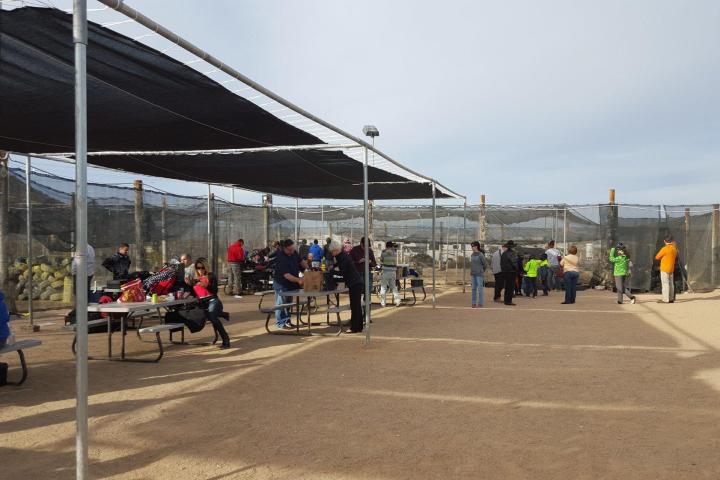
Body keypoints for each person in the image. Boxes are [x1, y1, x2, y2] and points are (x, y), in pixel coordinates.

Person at [192, 260, 230, 349]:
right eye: (198, 268)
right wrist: (188, 285)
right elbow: (194, 294)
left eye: (202, 267)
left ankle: (225, 339)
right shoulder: (194, 279)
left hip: (212, 300)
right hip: (201, 303)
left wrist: (206, 286)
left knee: (212, 314)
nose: (200, 270)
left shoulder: (210, 276)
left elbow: (214, 291)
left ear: (206, 267)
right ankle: (221, 313)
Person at [329, 239, 364, 333]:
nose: (332, 253)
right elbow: (340, 266)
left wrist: (332, 273)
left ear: (336, 250)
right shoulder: (342, 255)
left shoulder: (342, 257)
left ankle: (355, 328)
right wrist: (334, 266)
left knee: (355, 306)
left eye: (332, 251)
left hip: (354, 283)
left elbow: (342, 272)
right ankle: (358, 327)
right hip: (356, 282)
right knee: (356, 306)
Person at [272, 239, 306, 329]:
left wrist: (308, 268)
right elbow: (287, 275)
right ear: (284, 248)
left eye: (293, 249)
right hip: (281, 284)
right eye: (289, 250)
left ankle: (287, 321)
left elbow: (301, 261)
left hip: (291, 284)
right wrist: (299, 280)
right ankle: (280, 323)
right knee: (281, 304)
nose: (292, 251)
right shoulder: (280, 257)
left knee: (288, 303)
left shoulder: (294, 253)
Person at [655, 234, 678, 303]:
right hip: (671, 268)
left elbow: (657, 257)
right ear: (672, 241)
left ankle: (665, 299)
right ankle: (671, 298)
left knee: (665, 284)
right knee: (671, 284)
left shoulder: (664, 249)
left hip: (664, 268)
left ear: (665, 241)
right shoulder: (674, 249)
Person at [379, 241, 401, 307]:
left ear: (386, 246)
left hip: (385, 272)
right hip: (393, 272)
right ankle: (397, 301)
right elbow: (395, 247)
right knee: (393, 287)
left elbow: (381, 260)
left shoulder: (383, 253)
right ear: (392, 246)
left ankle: (383, 303)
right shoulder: (394, 253)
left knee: (383, 288)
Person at [500, 240, 518, 306]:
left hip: (504, 272)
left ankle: (506, 300)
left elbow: (501, 263)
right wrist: (517, 270)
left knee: (507, 287)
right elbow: (514, 263)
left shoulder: (504, 254)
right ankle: (509, 301)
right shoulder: (513, 253)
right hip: (511, 272)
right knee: (511, 287)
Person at [470, 241, 488, 308]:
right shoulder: (472, 254)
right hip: (473, 274)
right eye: (471, 246)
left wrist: (481, 271)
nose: (472, 247)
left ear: (476, 246)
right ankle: (473, 303)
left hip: (479, 275)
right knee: (473, 289)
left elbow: (485, 264)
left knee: (480, 289)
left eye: (473, 246)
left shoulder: (480, 254)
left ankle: (480, 303)